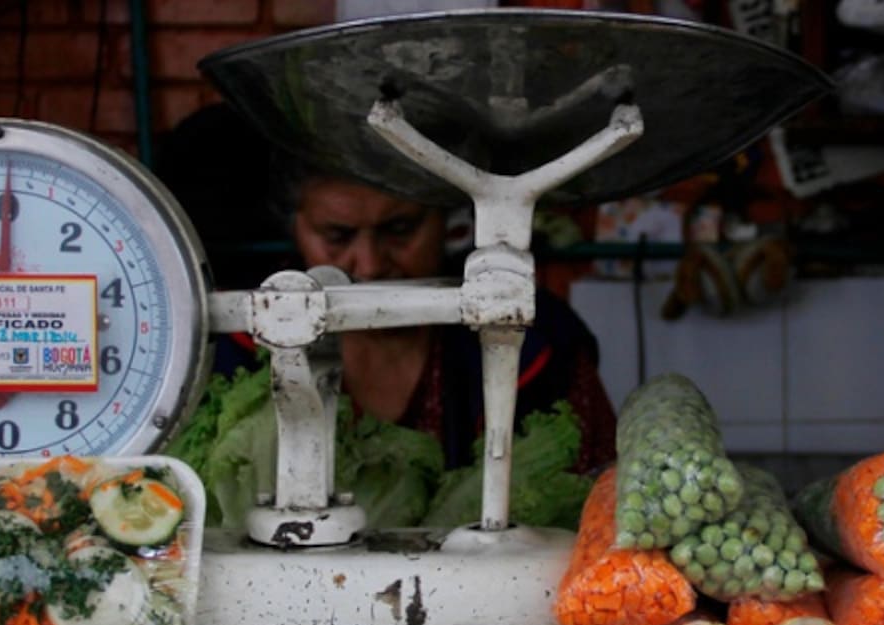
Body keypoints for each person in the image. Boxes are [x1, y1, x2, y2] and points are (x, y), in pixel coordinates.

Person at [157, 104, 617, 474]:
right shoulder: (235, 345)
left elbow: (595, 499)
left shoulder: (533, 344)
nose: (370, 264)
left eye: (400, 229)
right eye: (337, 236)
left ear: (446, 216)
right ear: (295, 224)